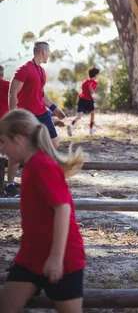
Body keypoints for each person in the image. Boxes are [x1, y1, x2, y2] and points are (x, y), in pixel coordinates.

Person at [0, 108, 85, 313]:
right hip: (31, 256)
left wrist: (56, 258)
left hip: (63, 257)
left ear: (19, 139)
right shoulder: (30, 167)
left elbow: (63, 210)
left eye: (3, 142)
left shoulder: (42, 166)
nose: (2, 150)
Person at [8, 41, 65, 154]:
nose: (49, 55)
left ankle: (38, 165)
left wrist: (55, 108)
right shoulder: (24, 69)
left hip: (42, 114)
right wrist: (13, 116)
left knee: (54, 144)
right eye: (48, 52)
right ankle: (16, 171)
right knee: (19, 151)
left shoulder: (42, 71)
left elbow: (41, 94)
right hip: (27, 114)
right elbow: (12, 92)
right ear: (44, 52)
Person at [0, 65, 18, 197]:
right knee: (6, 152)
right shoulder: (7, 84)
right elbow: (15, 97)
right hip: (6, 122)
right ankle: (9, 184)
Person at [68, 67, 100, 137]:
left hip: (81, 99)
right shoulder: (94, 82)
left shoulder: (85, 81)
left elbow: (84, 88)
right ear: (95, 75)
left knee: (79, 115)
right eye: (97, 74)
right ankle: (91, 129)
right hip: (88, 100)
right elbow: (90, 88)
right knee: (93, 113)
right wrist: (93, 95)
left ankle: (71, 124)